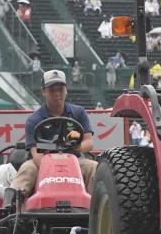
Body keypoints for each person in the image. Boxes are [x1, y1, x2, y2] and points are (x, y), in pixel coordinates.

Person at [6, 70, 98, 204]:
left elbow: (89, 142)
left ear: (66, 90)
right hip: (42, 162)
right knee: (27, 169)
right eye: (51, 90)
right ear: (43, 91)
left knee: (94, 167)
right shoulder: (34, 120)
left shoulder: (78, 112)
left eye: (60, 89)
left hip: (75, 160)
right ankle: (11, 210)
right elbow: (36, 154)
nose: (57, 93)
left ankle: (96, 209)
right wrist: (57, 168)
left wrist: (77, 146)